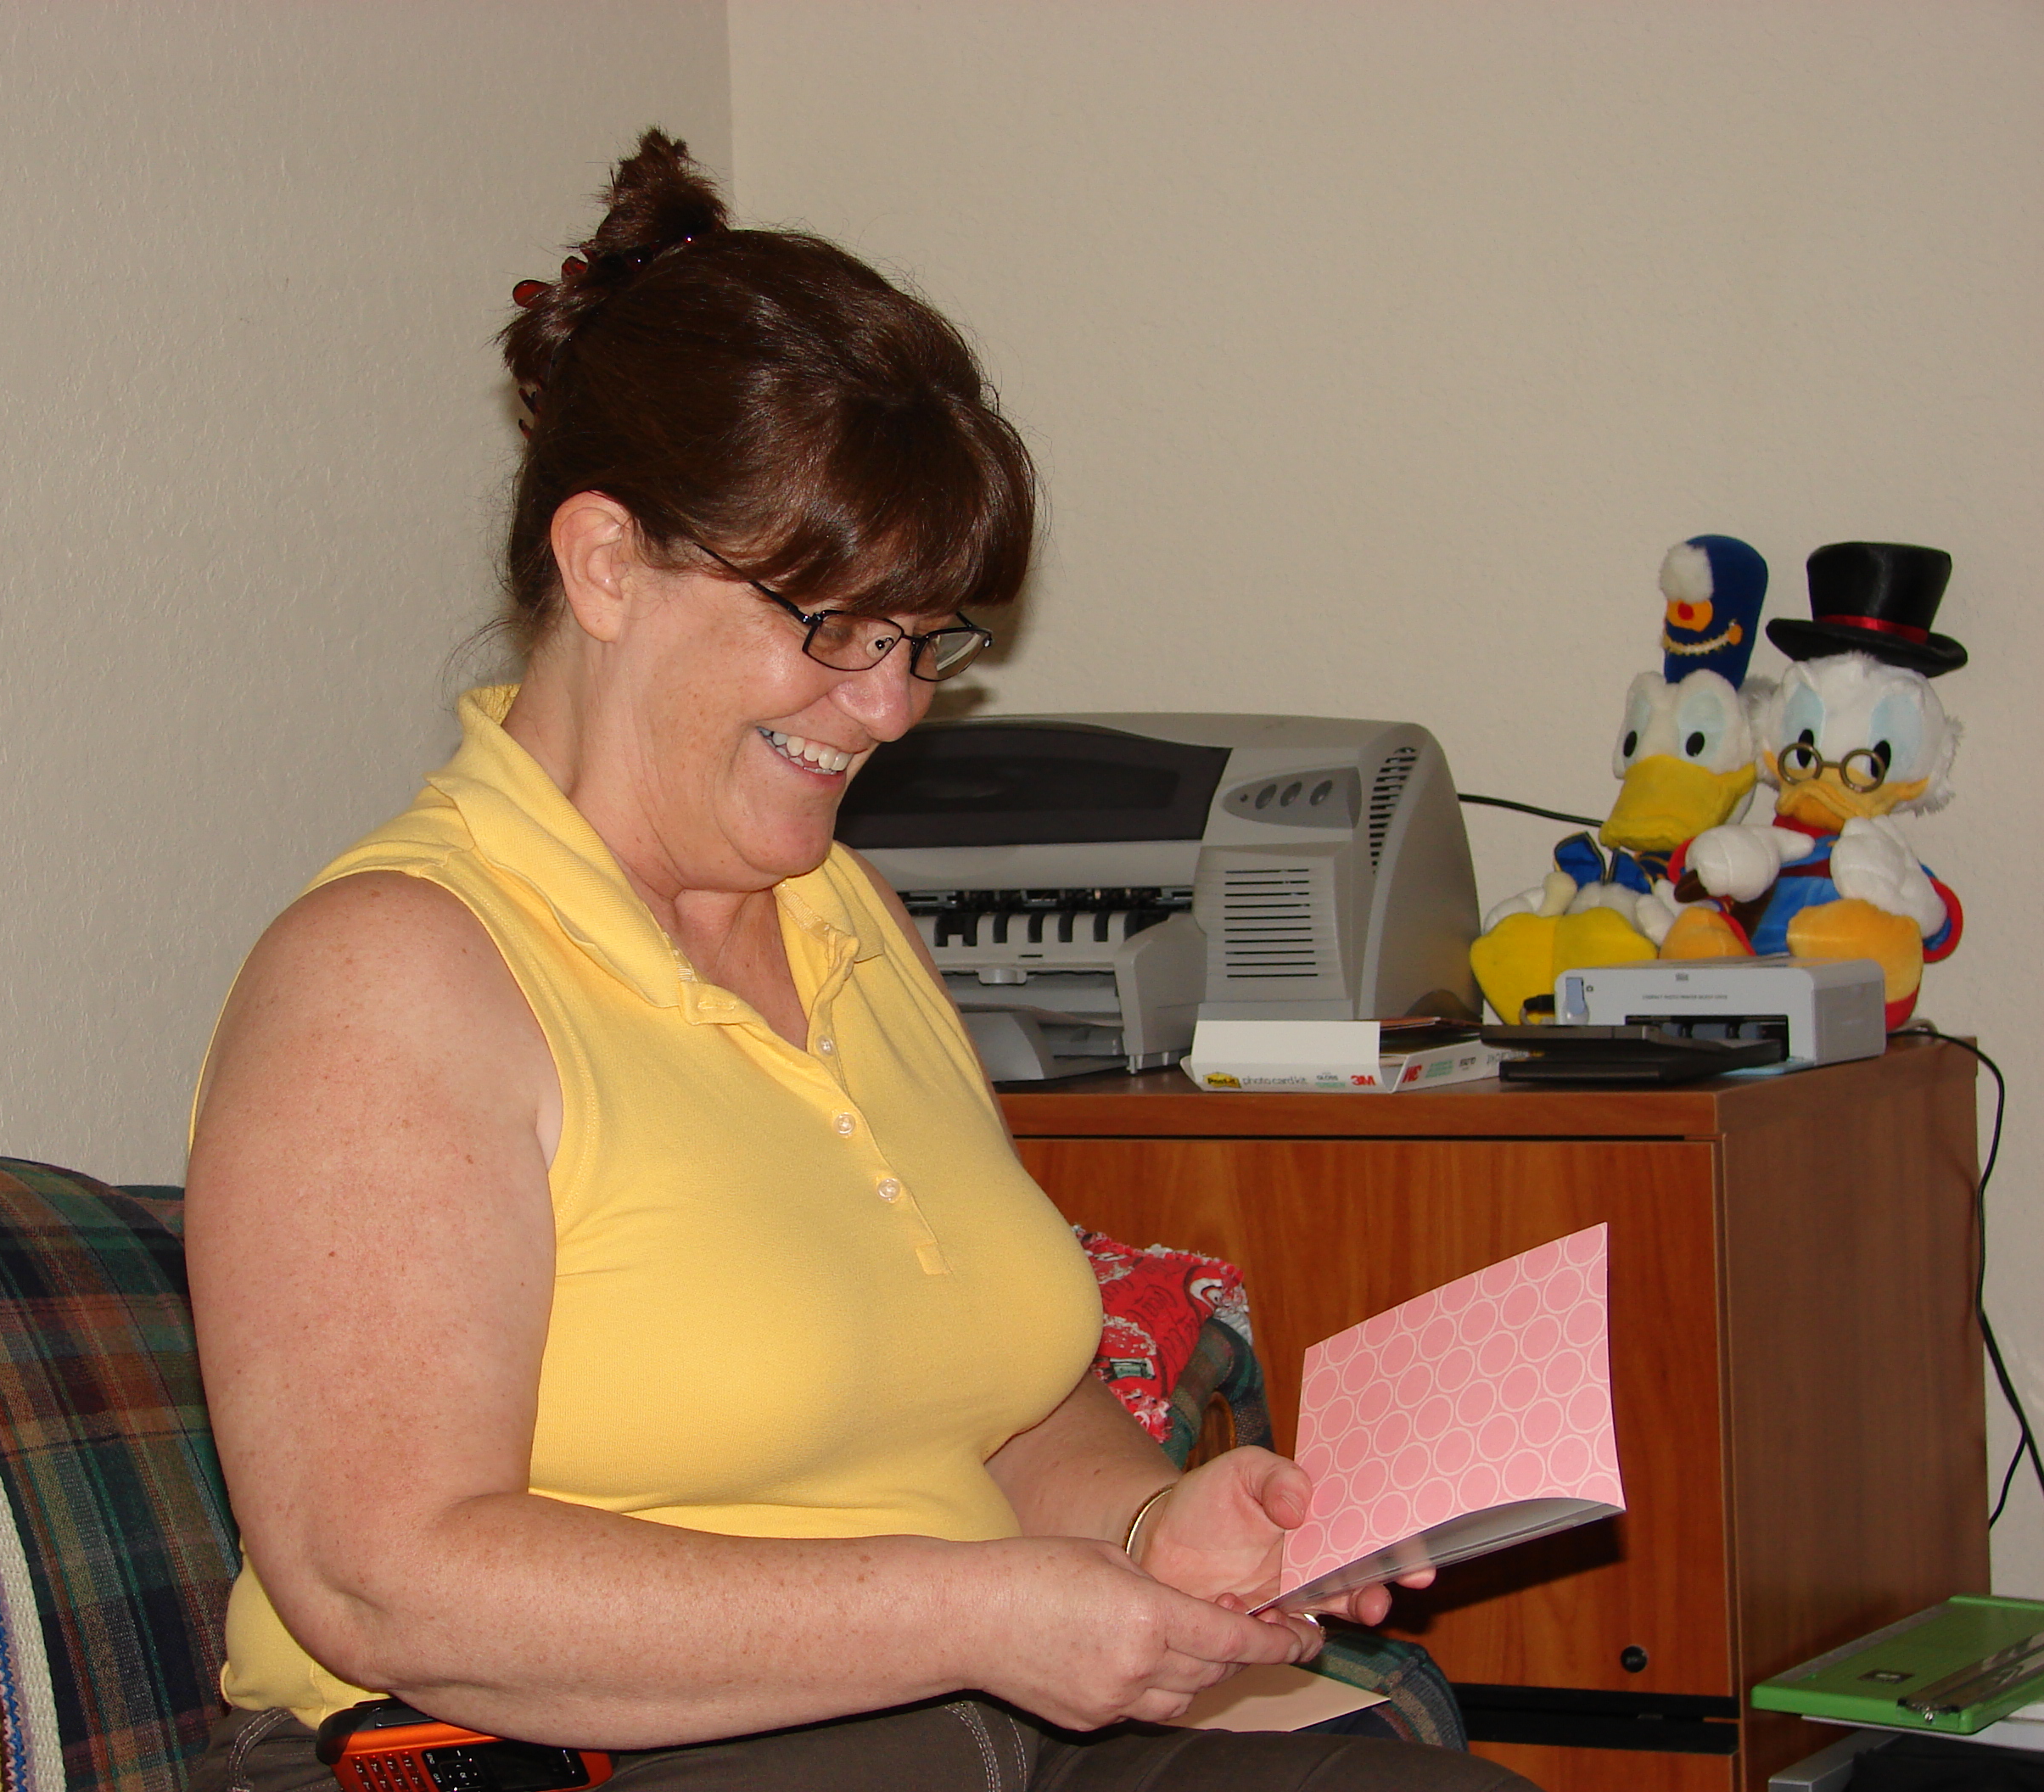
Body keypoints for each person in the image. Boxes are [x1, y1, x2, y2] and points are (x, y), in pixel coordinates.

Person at [184, 131, 1536, 1792]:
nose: (889, 707)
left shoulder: (850, 918)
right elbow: (384, 1579)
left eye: (922, 640)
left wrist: (1148, 1526)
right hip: (575, 1750)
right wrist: (977, 1614)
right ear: (604, 565)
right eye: (830, 627)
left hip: (976, 1727)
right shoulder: (393, 973)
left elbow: (997, 1403)